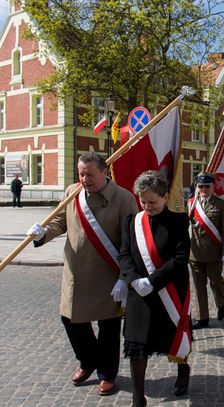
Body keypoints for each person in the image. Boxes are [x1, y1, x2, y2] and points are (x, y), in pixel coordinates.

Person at [26, 152, 138, 396]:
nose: (85, 179)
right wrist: (42, 233)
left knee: (108, 327)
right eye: (81, 174)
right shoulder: (72, 192)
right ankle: (88, 361)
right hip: (76, 273)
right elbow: (60, 221)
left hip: (108, 274)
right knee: (70, 319)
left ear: (104, 173)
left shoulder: (124, 199)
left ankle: (107, 373)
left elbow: (130, 241)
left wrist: (124, 278)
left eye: (90, 174)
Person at [118, 171, 192, 405]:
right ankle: (138, 398)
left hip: (169, 290)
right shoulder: (132, 222)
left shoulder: (178, 221)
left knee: (174, 337)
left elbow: (180, 259)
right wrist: (132, 280)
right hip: (139, 293)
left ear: (165, 197)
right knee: (137, 344)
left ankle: (182, 371)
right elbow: (124, 254)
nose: (147, 206)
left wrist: (153, 281)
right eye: (143, 201)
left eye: (153, 202)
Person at [188, 171, 224, 330]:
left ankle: (221, 303)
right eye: (201, 186)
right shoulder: (191, 202)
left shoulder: (220, 204)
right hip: (195, 253)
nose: (203, 189)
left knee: (216, 282)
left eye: (207, 186)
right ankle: (202, 318)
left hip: (213, 252)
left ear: (213, 187)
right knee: (199, 286)